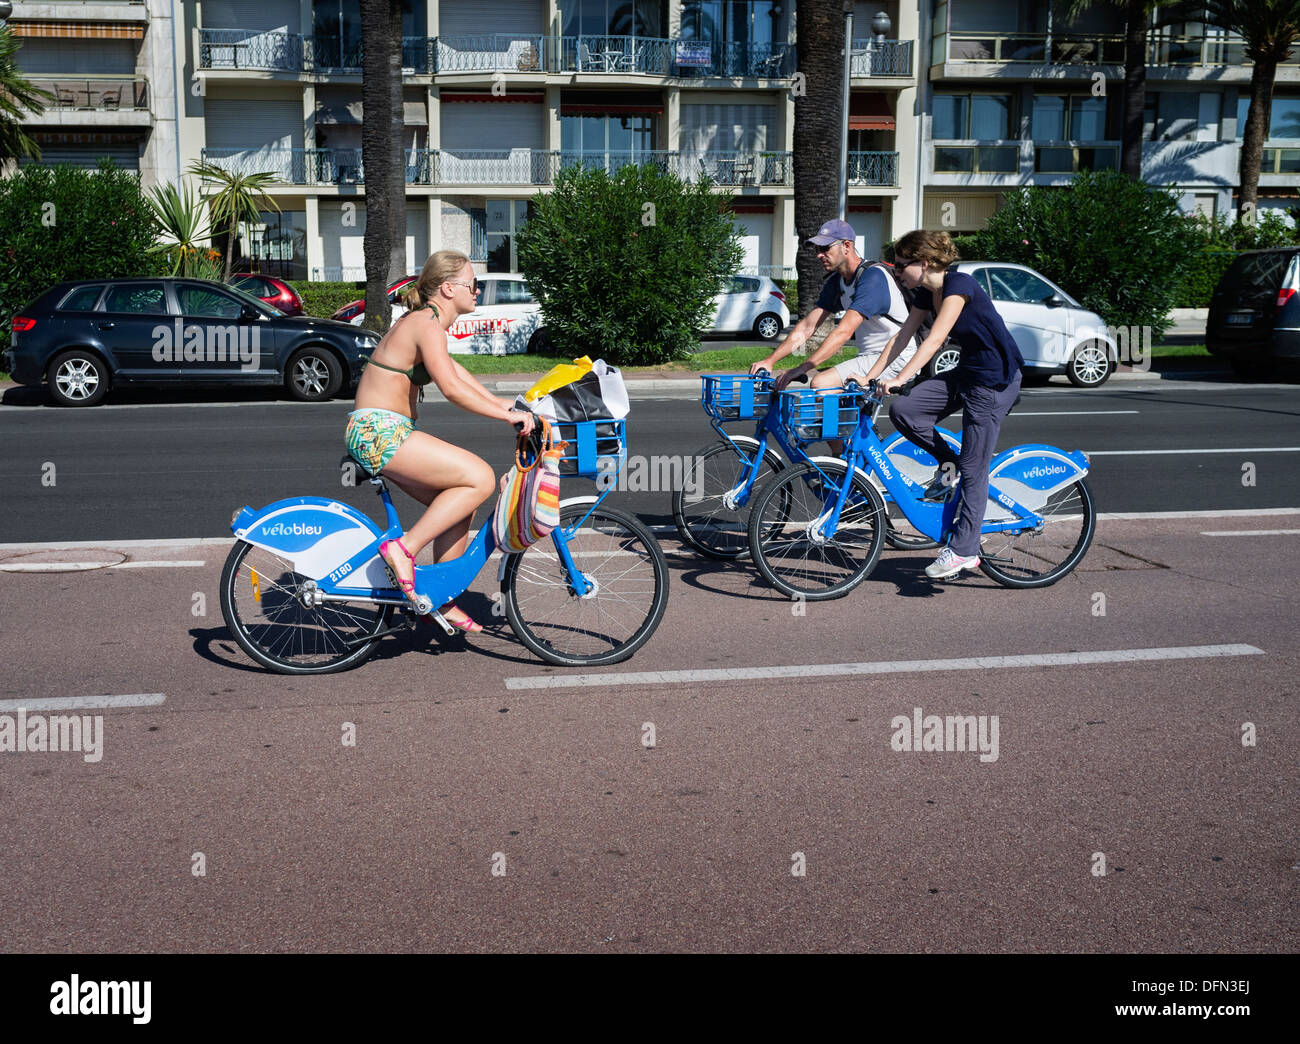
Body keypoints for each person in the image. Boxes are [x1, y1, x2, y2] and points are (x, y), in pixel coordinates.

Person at [344, 250, 535, 632]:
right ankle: (403, 550)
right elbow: (450, 388)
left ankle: (443, 598)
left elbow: (459, 376)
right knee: (479, 477)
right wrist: (505, 416)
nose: (477, 291)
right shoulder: (424, 323)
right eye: (472, 284)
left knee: (458, 505)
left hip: (386, 431)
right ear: (448, 288)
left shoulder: (431, 326)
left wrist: (510, 405)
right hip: (378, 430)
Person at [860, 229, 1024, 580]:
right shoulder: (924, 292)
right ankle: (949, 464)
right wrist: (871, 376)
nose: (897, 271)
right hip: (968, 372)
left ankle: (964, 551)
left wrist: (901, 378)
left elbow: (934, 340)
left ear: (925, 262)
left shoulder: (958, 285)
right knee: (905, 411)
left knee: (974, 468)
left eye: (902, 265)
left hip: (995, 381)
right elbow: (902, 335)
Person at [749, 217, 920, 395]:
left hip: (897, 356)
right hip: (870, 357)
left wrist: (802, 368)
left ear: (846, 246)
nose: (819, 254)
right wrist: (770, 360)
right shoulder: (837, 281)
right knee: (843, 402)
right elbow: (808, 326)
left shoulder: (873, 277)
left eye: (825, 248)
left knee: (822, 383)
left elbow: (843, 333)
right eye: (817, 249)